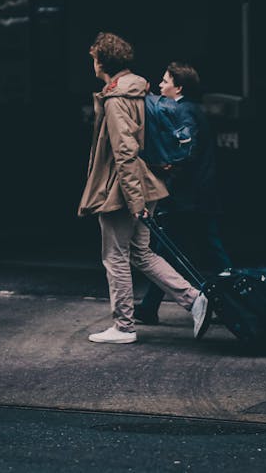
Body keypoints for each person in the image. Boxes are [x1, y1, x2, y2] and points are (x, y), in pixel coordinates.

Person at [78, 33, 210, 344]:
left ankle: (124, 325)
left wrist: (134, 200)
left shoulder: (115, 99)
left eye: (95, 59)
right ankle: (194, 299)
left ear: (102, 62)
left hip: (122, 188)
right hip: (144, 183)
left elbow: (124, 151)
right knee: (142, 253)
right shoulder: (139, 89)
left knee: (115, 255)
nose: (93, 64)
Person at [135, 61, 232, 326]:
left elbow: (188, 150)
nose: (160, 85)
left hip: (190, 197)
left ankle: (235, 298)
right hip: (197, 195)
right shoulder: (189, 109)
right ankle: (149, 307)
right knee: (178, 249)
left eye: (165, 81)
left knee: (169, 250)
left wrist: (166, 169)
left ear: (178, 87)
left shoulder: (182, 111)